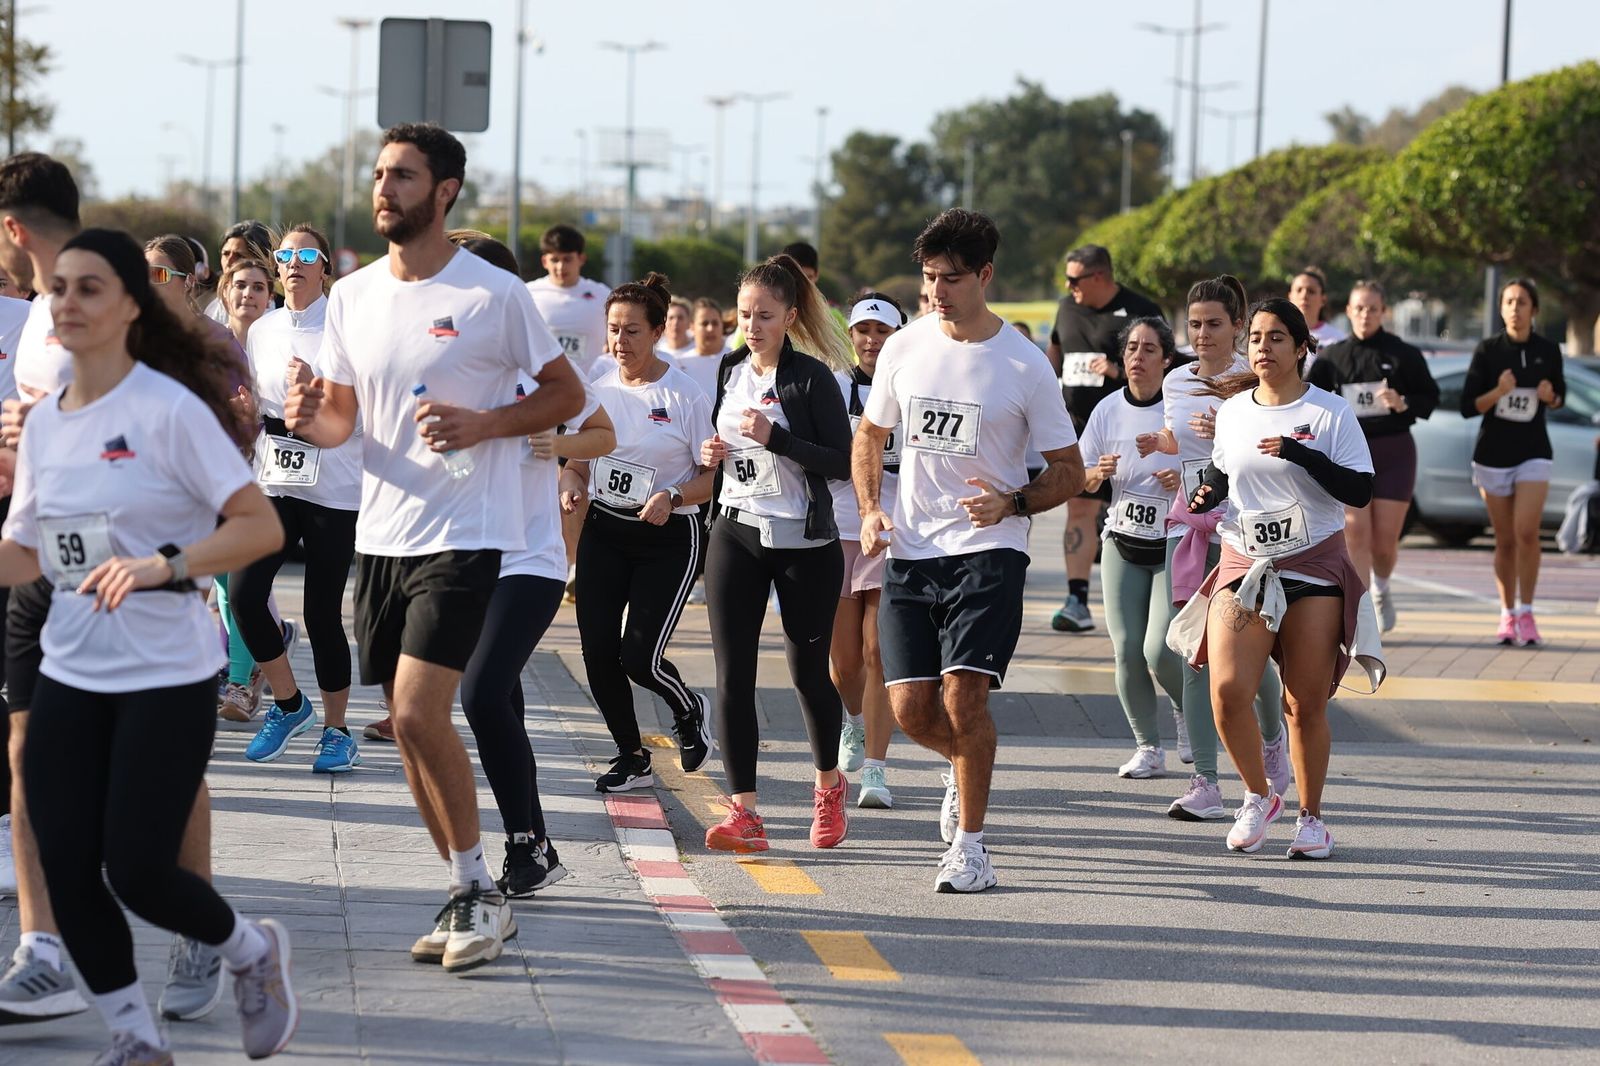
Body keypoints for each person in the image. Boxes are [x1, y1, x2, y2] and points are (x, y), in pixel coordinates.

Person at [284, 123, 584, 973]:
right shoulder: (353, 295)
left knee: (420, 712)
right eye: (379, 175)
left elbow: (562, 396)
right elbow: (345, 419)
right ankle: (466, 887)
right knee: (408, 730)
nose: (385, 189)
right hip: (380, 535)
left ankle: (481, 893)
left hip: (466, 532)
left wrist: (485, 423)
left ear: (445, 190)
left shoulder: (493, 295)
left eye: (404, 176)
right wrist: (313, 418)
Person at [1, 226, 296, 1063]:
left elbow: (258, 525)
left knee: (136, 867)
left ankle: (250, 951)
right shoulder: (48, 423)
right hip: (70, 665)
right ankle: (134, 1037)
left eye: (89, 288)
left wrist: (167, 566)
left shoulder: (169, 409)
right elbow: (28, 551)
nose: (66, 302)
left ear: (132, 304)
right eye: (58, 288)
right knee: (61, 862)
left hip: (167, 670)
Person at [856, 209, 1082, 892]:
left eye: (951, 279)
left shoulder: (1022, 364)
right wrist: (870, 509)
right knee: (909, 711)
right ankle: (963, 768)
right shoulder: (904, 347)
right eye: (929, 279)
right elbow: (870, 436)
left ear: (985, 276)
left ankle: (973, 849)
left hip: (990, 548)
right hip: (911, 548)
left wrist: (1013, 502)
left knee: (963, 701)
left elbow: (1070, 474)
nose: (937, 293)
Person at [1182, 297, 1375, 860]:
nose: (1262, 349)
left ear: (1300, 347)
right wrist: (1209, 491)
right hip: (1245, 559)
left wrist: (1301, 454)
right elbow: (1224, 467)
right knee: (1226, 693)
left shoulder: (1330, 412)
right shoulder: (1237, 410)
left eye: (1276, 339)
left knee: (1304, 703)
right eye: (1257, 339)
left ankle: (1311, 819)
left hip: (1312, 564)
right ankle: (1257, 796)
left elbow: (1359, 490)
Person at [454, 232, 614, 897]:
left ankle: (523, 842)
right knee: (503, 706)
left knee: (481, 694)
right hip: (465, 555)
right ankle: (535, 845)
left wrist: (556, 442)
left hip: (531, 557)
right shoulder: (445, 370)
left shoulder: (538, 372)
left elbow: (604, 435)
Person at [697, 254, 854, 853]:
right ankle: (746, 813)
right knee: (732, 674)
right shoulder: (729, 369)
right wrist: (715, 453)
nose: (751, 326)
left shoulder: (812, 379)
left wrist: (778, 439)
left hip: (804, 543)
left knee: (808, 675)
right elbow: (728, 448)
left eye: (764, 315)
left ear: (789, 316)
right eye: (743, 315)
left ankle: (827, 786)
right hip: (736, 530)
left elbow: (842, 463)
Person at [1143, 276, 1288, 821]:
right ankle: (1228, 763)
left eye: (1215, 324)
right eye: (1195, 324)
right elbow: (1181, 441)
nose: (1202, 334)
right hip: (1185, 528)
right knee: (1169, 652)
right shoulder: (1177, 379)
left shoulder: (1255, 379)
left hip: (1239, 534)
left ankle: (1242, 759)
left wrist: (1228, 427)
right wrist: (1168, 452)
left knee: (1224, 656)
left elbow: (1276, 448)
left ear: (1237, 325)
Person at [563, 273, 715, 794]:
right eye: (613, 330)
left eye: (632, 331)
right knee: (597, 652)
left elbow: (711, 478)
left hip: (668, 537)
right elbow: (577, 463)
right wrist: (570, 484)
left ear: (656, 334)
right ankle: (631, 755)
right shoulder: (596, 391)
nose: (620, 342)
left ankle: (690, 708)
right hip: (605, 530)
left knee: (639, 657)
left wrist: (671, 497)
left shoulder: (684, 393)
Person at [0, 151, 91, 1023]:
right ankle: (43, 953)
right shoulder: (33, 314)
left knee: (152, 774)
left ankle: (209, 940)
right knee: (26, 751)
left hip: (117, 568)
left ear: (12, 227)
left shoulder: (101, 293)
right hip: (41, 560)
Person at [230, 224, 365, 773]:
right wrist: (248, 418)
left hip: (334, 483)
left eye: (306, 254)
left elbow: (363, 413)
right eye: (284, 254)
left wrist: (318, 391)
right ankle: (290, 705)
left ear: (325, 267)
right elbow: (264, 406)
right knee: (244, 595)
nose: (293, 263)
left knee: (322, 613)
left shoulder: (348, 327)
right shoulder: (263, 328)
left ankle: (337, 731)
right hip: (276, 477)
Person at [1078, 318, 1187, 779]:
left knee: (1160, 650)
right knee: (1126, 649)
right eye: (1132, 349)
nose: (1138, 358)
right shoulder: (1106, 410)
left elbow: (1213, 473)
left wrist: (1181, 479)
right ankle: (1148, 747)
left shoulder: (1180, 412)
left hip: (1171, 543)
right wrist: (1096, 474)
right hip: (1121, 539)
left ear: (1166, 359)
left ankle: (1189, 713)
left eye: (1149, 350)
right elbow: (1079, 479)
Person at [1307, 280, 1438, 633]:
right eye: (1359, 308)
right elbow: (1310, 401)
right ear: (1348, 312)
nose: (1365, 315)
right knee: (1356, 535)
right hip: (1351, 454)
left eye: (1372, 309)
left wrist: (1403, 402)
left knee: (1383, 543)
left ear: (1384, 312)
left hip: (1394, 451)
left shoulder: (1403, 354)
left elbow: (1430, 396)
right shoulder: (1332, 357)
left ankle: (1381, 587)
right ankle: (1362, 615)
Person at [1046, 244, 1164, 634]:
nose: (1068, 285)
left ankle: (1149, 598)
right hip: (1080, 429)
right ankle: (1077, 599)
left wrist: (1118, 370)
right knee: (1078, 507)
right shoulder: (1066, 308)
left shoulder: (1140, 309)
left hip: (1132, 430)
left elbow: (1168, 365)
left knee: (1131, 512)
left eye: (1074, 279)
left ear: (1100, 277)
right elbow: (1055, 354)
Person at [830, 291, 905, 809]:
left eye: (882, 332)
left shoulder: (912, 386)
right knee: (844, 660)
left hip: (897, 532)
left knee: (879, 651)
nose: (873, 340)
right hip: (838, 528)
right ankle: (853, 721)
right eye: (864, 331)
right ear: (851, 335)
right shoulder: (833, 387)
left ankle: (875, 770)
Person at [1461, 278, 1563, 646]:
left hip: (1534, 452)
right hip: (1493, 456)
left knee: (1526, 532)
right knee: (1504, 540)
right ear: (1501, 308)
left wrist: (1551, 396)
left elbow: (1559, 395)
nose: (1515, 309)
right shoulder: (1488, 351)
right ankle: (1506, 614)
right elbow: (1468, 406)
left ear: (1534, 309)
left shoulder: (1548, 350)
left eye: (1522, 302)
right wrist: (1499, 392)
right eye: (1509, 302)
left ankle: (1528, 612)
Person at [527, 224, 610, 380]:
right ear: (545, 261)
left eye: (567, 259)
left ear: (581, 259)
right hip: (542, 389)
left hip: (591, 390)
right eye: (554, 260)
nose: (560, 266)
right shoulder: (528, 293)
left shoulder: (603, 295)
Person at [205, 220, 278, 324]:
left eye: (239, 256)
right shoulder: (209, 305)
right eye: (225, 254)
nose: (229, 261)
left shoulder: (282, 312)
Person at [1288, 266, 1346, 362]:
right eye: (1299, 290)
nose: (1304, 295)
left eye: (1311, 291)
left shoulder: (1338, 340)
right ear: (1290, 296)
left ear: (1323, 299)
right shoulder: (1276, 336)